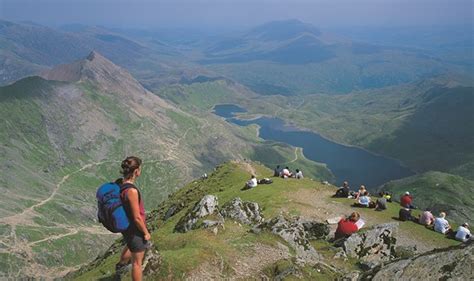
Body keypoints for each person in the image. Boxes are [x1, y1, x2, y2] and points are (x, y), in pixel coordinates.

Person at [116, 156, 151, 281]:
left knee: (130, 245)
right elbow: (136, 217)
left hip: (127, 227)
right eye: (140, 169)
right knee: (137, 263)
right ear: (136, 171)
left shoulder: (121, 184)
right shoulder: (132, 191)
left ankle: (119, 268)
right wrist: (145, 233)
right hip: (134, 228)